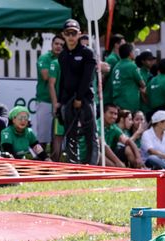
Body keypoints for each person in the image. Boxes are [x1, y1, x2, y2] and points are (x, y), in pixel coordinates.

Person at [57, 19, 99, 165]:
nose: (71, 37)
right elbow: (62, 79)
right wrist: (59, 102)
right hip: (67, 99)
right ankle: (73, 164)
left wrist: (79, 98)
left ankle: (91, 165)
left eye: (74, 33)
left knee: (90, 133)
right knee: (70, 133)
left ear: (79, 34)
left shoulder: (87, 53)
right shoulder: (62, 55)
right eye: (68, 33)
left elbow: (87, 77)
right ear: (63, 35)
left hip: (85, 98)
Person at [35, 34, 64, 151]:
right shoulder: (44, 58)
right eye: (56, 44)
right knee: (43, 138)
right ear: (51, 45)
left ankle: (53, 162)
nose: (58, 46)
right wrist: (56, 65)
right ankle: (40, 161)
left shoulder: (65, 59)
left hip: (60, 101)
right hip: (45, 100)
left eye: (62, 45)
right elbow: (46, 76)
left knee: (57, 137)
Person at [112, 43, 146, 114]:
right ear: (130, 53)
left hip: (117, 101)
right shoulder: (131, 65)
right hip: (129, 102)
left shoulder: (116, 66)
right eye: (133, 51)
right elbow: (142, 84)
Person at [102, 33, 126, 103]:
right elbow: (104, 77)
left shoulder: (118, 58)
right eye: (123, 44)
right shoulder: (112, 59)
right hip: (110, 96)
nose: (125, 46)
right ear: (116, 45)